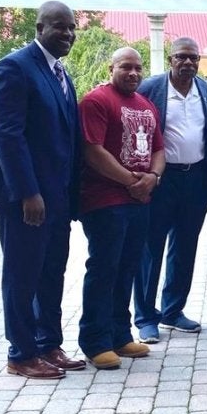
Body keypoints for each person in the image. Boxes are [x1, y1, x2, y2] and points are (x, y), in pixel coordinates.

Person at [0, 0, 85, 379]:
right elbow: (8, 136)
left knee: (51, 271)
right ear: (39, 27)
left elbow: (66, 137)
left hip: (57, 196)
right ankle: (21, 353)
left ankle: (48, 344)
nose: (68, 34)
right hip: (25, 198)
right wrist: (28, 192)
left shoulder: (60, 73)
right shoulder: (14, 67)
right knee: (22, 274)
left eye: (72, 27)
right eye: (60, 27)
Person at [77, 47, 165, 369]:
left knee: (127, 268)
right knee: (104, 269)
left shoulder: (146, 105)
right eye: (126, 67)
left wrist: (153, 178)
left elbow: (159, 149)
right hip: (105, 201)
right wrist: (132, 181)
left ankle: (119, 334)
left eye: (138, 68)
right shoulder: (96, 101)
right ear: (111, 67)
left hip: (139, 201)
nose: (133, 73)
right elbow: (93, 151)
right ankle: (95, 340)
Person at [133, 38, 207, 344]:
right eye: (182, 57)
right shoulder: (151, 88)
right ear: (170, 59)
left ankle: (173, 310)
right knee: (150, 248)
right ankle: (145, 317)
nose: (188, 63)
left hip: (195, 179)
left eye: (193, 58)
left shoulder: (204, 90)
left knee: (185, 247)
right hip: (160, 179)